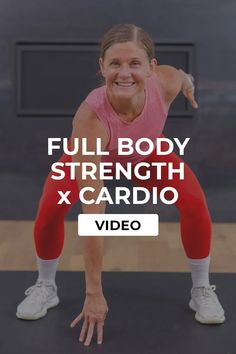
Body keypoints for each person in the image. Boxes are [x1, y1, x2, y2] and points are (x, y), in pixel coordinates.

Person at [16, 23, 225, 346]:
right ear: (102, 67)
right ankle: (46, 286)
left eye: (134, 63)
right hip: (89, 155)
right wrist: (94, 293)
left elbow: (183, 76)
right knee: (50, 208)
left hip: (144, 152)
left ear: (152, 68)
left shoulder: (167, 81)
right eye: (115, 63)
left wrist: (189, 86)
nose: (124, 73)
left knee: (194, 203)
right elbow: (95, 216)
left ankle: (201, 289)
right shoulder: (89, 120)